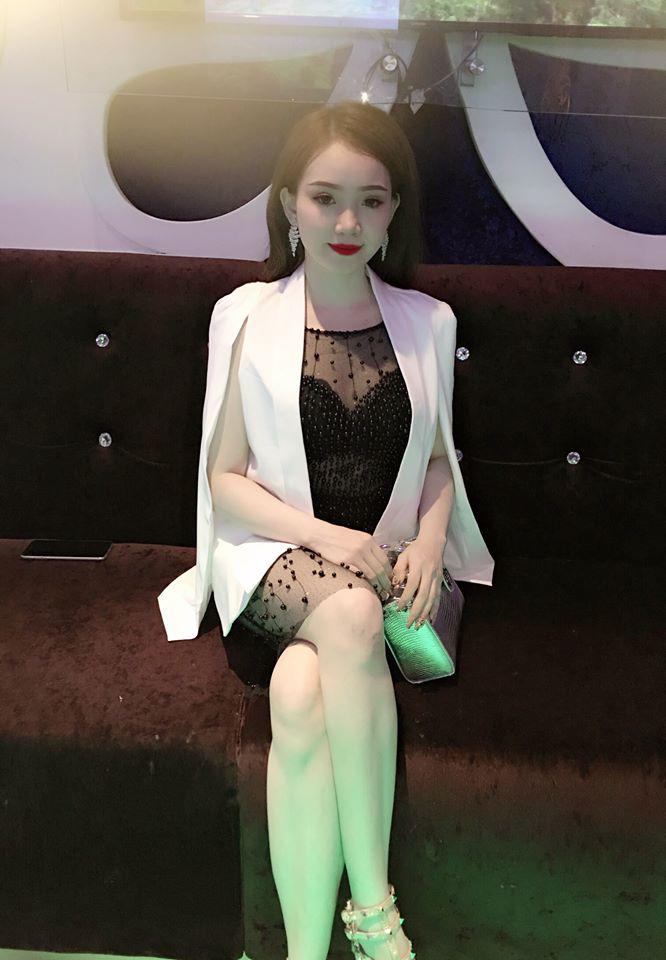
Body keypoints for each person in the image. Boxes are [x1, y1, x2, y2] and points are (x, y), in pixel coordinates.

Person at [221, 100, 440, 960]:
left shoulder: (428, 321)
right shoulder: (246, 315)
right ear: (289, 204)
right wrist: (329, 538)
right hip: (277, 561)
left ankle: (304, 954)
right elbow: (223, 480)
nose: (348, 223)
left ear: (393, 212)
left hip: (384, 575)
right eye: (325, 198)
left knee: (297, 695)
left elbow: (439, 459)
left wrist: (429, 542)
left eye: (370, 201)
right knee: (346, 614)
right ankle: (377, 918)